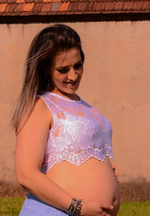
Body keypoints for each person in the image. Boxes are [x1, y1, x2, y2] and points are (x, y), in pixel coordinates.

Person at [13, 24, 120, 216]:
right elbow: (25, 174)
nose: (73, 75)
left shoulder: (84, 106)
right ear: (46, 67)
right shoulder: (40, 106)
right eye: (63, 70)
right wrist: (78, 208)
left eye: (78, 65)